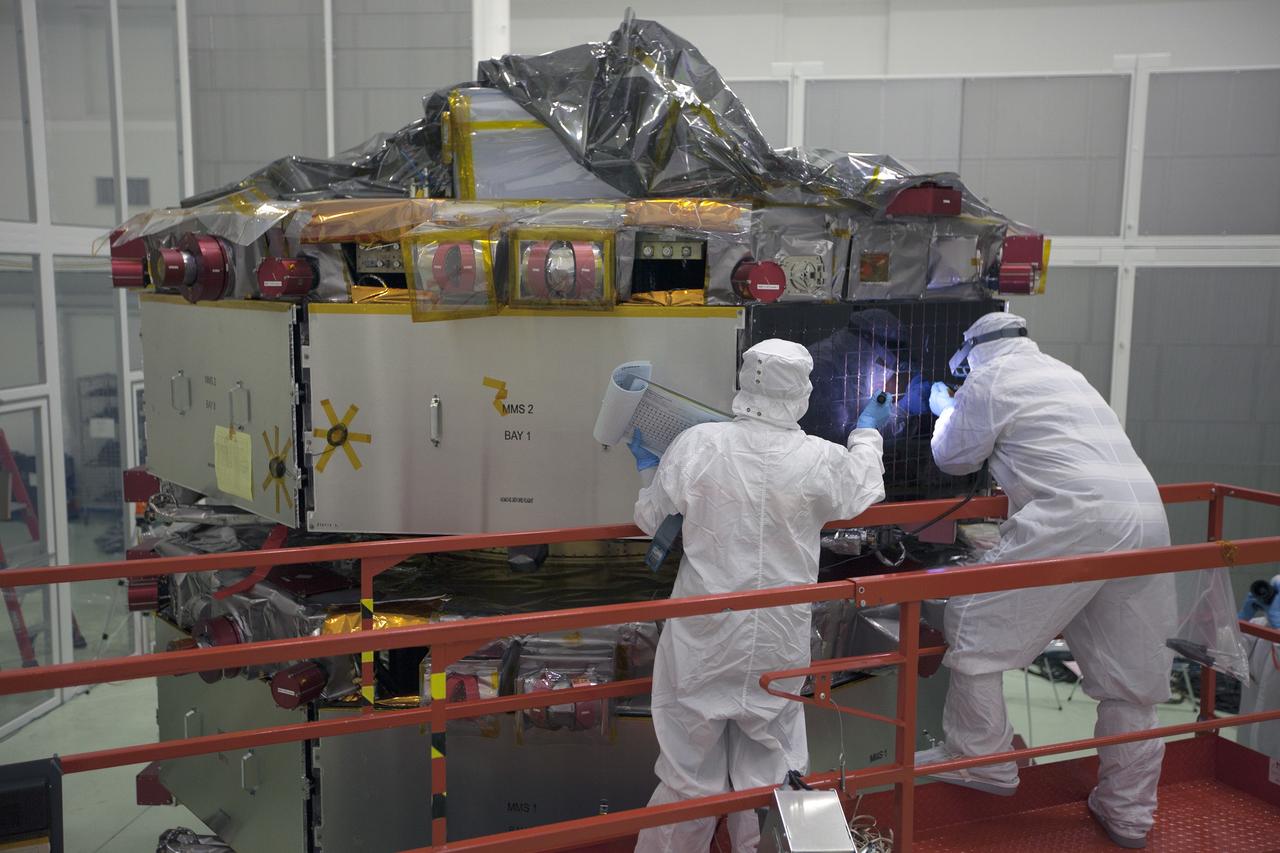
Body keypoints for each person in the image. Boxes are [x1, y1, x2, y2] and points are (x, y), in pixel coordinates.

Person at [918, 311, 1176, 850]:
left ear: (971, 354)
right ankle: (1128, 814)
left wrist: (947, 410)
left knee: (973, 624)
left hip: (1077, 518)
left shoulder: (988, 380)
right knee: (1131, 678)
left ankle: (978, 758)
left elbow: (952, 456)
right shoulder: (1065, 372)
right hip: (1146, 519)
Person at [629, 338, 888, 853]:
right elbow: (863, 485)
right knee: (777, 773)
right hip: (777, 639)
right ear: (803, 392)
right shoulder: (819, 459)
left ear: (744, 383)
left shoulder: (699, 444)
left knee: (687, 775)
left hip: (702, 638)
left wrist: (648, 466)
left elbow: (648, 519)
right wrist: (868, 430)